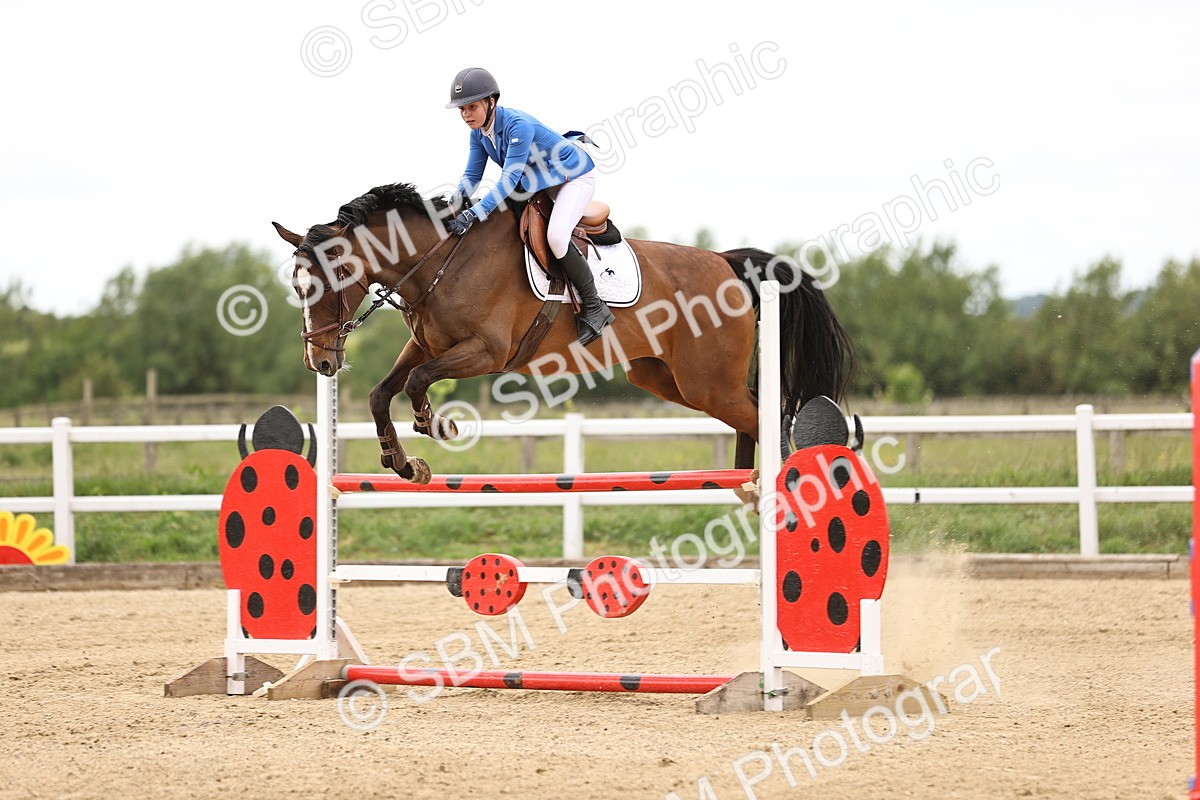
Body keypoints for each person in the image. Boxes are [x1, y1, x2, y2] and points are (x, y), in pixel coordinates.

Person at [444, 67, 614, 346]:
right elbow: (472, 177)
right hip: (540, 182)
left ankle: (595, 307)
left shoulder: (517, 125)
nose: (466, 115)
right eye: (462, 109)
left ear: (491, 102)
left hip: (574, 177)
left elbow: (509, 178)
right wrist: (454, 204)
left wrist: (474, 213)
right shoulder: (478, 133)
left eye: (472, 107)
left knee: (557, 237)